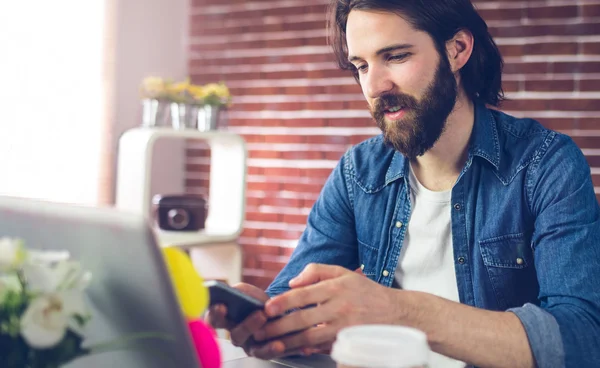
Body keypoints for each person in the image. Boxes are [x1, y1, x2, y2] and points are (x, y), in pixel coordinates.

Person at [207, 1, 600, 367]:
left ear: (458, 50)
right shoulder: (358, 173)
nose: (374, 86)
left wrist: (398, 310)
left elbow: (583, 339)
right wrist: (271, 316)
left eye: (395, 56)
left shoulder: (546, 164)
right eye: (361, 65)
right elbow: (295, 299)